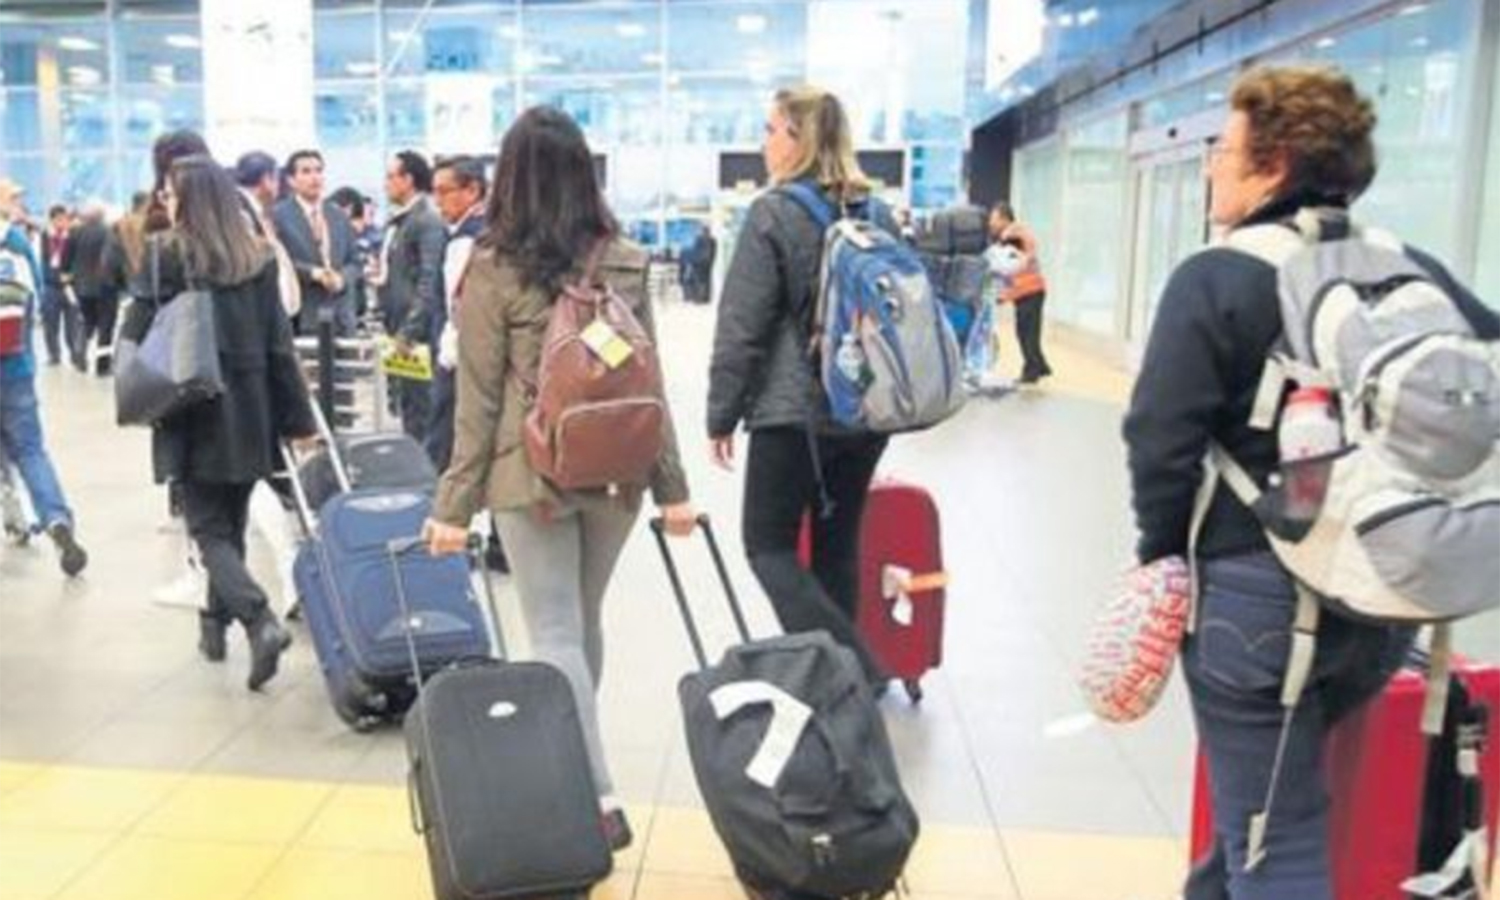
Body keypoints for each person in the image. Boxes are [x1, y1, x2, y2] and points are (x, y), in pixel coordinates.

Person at [1122, 66, 1500, 900]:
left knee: (1275, 840)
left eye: (1225, 150)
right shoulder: (1407, 267)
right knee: (1261, 809)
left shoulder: (1215, 277)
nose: (1213, 166)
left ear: (1275, 162)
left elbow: (1158, 439)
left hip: (1253, 604)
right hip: (1379, 595)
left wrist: (1162, 559)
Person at [422, 107, 695, 853]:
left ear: (509, 179)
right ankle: (572, 755)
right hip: (618, 471)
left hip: (530, 473)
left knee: (552, 631)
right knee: (579, 623)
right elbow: (649, 381)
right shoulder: (624, 258)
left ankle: (594, 796)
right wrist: (671, 488)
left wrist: (453, 506)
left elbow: (478, 400)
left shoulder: (493, 266)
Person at [706, 85, 894, 691]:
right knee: (837, 549)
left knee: (768, 547)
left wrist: (721, 413)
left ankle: (852, 671)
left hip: (792, 413)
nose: (763, 143)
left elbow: (742, 325)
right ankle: (840, 690)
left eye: (771, 130)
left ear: (799, 138)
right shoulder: (876, 212)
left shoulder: (774, 212)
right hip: (866, 409)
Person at [122, 154, 316, 691]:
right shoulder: (257, 256)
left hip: (192, 407)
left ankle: (258, 619)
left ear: (186, 199)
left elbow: (135, 331)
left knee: (208, 529)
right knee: (229, 522)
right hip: (252, 408)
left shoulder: (165, 255)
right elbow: (280, 347)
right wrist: (297, 419)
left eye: (169, 193)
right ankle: (213, 628)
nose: (165, 201)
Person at [0, 177, 88, 576]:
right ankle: (56, 519)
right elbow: (32, 295)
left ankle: (14, 515)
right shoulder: (17, 244)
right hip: (14, 366)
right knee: (30, 450)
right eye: (14, 198)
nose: (19, 204)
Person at [375, 150, 446, 443]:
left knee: (422, 411)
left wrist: (410, 329)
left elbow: (430, 280)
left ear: (409, 180)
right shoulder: (400, 221)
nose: (386, 184)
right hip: (399, 328)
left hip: (417, 335)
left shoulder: (426, 221)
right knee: (407, 407)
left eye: (391, 176)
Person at [273, 150, 361, 336]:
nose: (315, 177)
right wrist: (314, 273)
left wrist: (341, 278)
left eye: (319, 170)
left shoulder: (337, 215)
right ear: (291, 180)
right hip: (302, 318)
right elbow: (278, 264)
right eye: (306, 171)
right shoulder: (278, 216)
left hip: (341, 318)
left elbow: (355, 262)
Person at [988, 201, 1052, 385]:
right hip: (1031, 290)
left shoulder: (1013, 236)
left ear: (1004, 219)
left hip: (1029, 290)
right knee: (1029, 332)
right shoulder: (1015, 234)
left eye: (994, 218)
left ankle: (1031, 371)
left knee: (1026, 333)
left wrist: (1000, 295)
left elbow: (1009, 268)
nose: (991, 223)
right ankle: (1040, 366)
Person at [234, 151, 302, 319]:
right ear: (266, 179)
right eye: (277, 179)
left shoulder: (258, 210)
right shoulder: (240, 210)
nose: (279, 187)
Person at [60, 202, 120, 376]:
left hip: (82, 287)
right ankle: (103, 365)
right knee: (106, 327)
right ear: (102, 216)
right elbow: (115, 260)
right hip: (106, 286)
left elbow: (65, 260)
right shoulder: (109, 233)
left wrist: (67, 281)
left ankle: (79, 356)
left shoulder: (75, 233)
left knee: (86, 322)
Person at [38, 205, 83, 369]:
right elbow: (44, 259)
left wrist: (73, 276)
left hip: (70, 286)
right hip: (51, 285)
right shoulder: (45, 236)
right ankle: (54, 355)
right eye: (58, 219)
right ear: (52, 220)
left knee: (73, 324)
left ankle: (75, 354)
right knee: (50, 323)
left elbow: (79, 260)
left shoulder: (73, 236)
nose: (62, 222)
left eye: (64, 219)